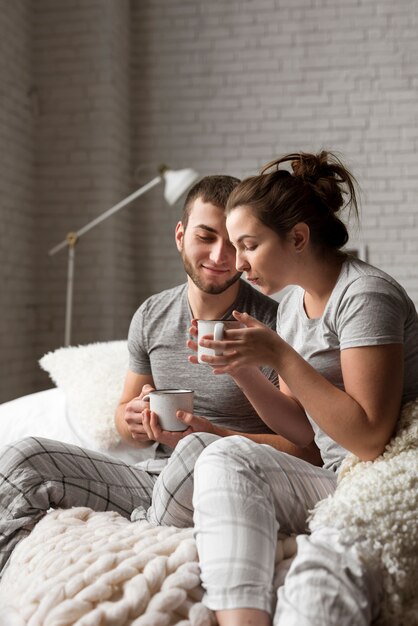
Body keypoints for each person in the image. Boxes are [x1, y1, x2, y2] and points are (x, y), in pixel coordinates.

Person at [145, 151, 418, 625]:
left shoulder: (363, 296)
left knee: (222, 456)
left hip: (376, 471)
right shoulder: (292, 305)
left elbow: (371, 439)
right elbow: (303, 431)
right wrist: (242, 367)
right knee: (217, 455)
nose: (238, 263)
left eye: (247, 245)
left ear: (297, 237)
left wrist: (279, 356)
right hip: (336, 470)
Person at [0, 175, 320, 578]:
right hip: (153, 479)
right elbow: (124, 418)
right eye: (206, 237)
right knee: (22, 458)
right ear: (181, 236)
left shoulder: (275, 323)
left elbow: (306, 450)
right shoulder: (152, 315)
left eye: (235, 243)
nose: (221, 256)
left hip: (228, 481)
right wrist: (134, 418)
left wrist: (208, 436)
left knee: (194, 454)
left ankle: (144, 526)